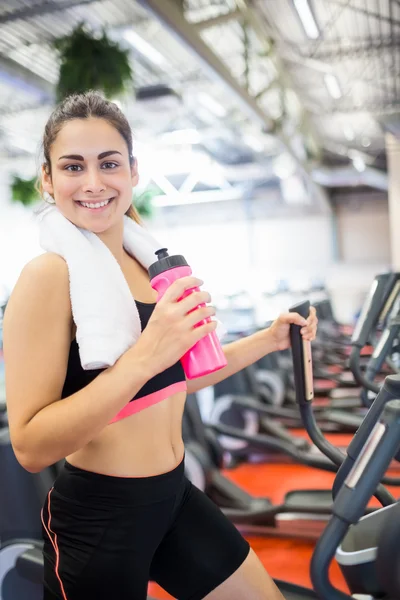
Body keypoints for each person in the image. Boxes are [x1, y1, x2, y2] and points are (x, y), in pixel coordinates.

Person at [3, 91, 318, 600]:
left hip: (173, 496)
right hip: (101, 517)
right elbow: (30, 447)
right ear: (47, 178)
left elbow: (178, 377)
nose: (93, 182)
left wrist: (268, 339)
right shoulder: (47, 277)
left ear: (132, 171)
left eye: (109, 163)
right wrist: (146, 354)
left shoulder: (148, 262)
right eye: (72, 166)